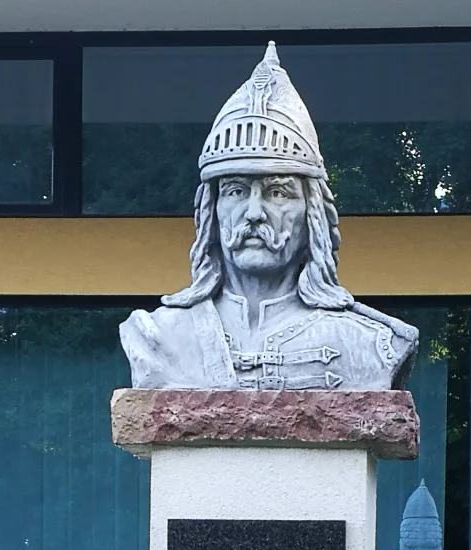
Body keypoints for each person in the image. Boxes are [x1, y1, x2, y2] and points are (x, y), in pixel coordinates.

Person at [119, 43, 417, 393]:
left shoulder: (374, 344)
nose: (254, 213)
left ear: (313, 215)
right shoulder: (158, 336)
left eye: (278, 192)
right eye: (235, 191)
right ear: (210, 212)